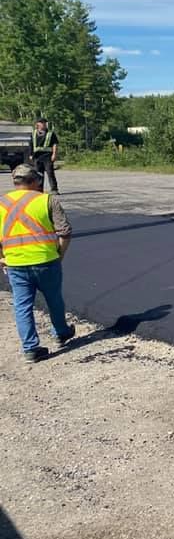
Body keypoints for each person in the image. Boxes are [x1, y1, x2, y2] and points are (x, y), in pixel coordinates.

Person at [0, 164, 74, 362]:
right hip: (46, 261)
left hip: (15, 264)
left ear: (15, 182)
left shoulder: (2, 203)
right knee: (54, 300)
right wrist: (60, 254)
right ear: (34, 181)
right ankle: (60, 333)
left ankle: (30, 348)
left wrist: (2, 258)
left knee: (22, 306)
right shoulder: (47, 200)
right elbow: (65, 231)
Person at [30, 118, 59, 194]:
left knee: (50, 173)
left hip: (47, 156)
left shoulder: (50, 133)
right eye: (42, 122)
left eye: (44, 123)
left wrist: (54, 154)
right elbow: (31, 144)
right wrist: (31, 154)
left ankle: (54, 189)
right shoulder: (33, 133)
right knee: (39, 174)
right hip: (37, 156)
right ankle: (39, 190)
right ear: (37, 124)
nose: (44, 124)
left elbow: (55, 144)